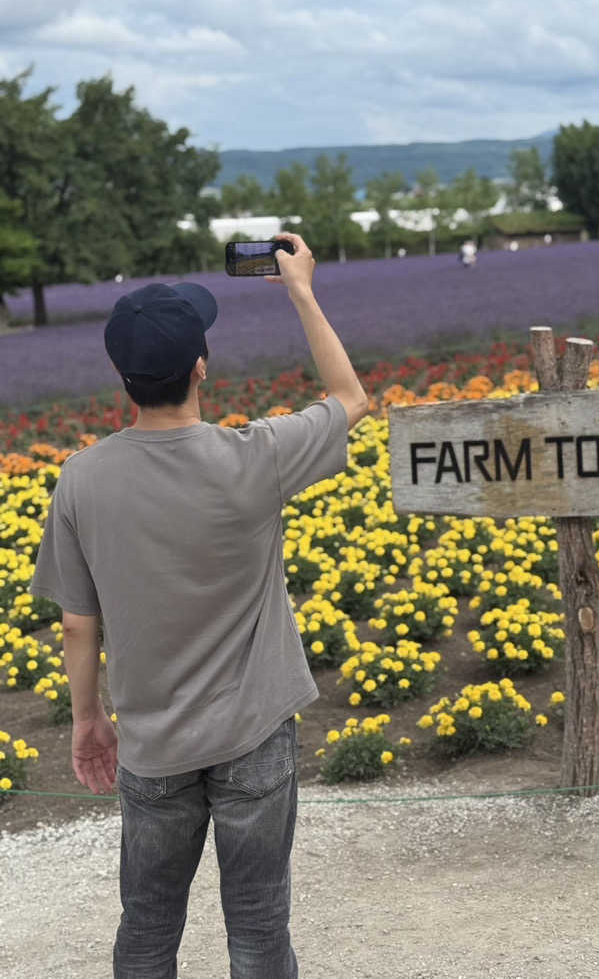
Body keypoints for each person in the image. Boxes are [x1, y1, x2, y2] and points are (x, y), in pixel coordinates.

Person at [28, 231, 369, 979]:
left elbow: (79, 624)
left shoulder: (81, 479)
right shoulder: (255, 454)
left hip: (153, 747)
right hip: (253, 735)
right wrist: (302, 291)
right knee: (256, 925)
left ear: (124, 377)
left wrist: (89, 720)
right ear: (200, 368)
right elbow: (350, 399)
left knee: (147, 926)